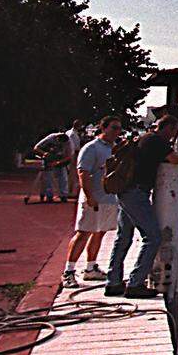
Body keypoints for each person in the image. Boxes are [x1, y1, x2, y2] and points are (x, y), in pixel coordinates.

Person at [105, 114, 178, 299]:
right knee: (153, 237)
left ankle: (113, 282)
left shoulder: (145, 138)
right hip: (136, 193)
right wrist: (170, 147)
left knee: (123, 237)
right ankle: (135, 283)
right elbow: (176, 160)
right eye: (174, 131)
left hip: (126, 191)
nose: (173, 136)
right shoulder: (158, 141)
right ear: (168, 128)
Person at [61, 115, 122, 288]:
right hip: (93, 197)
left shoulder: (116, 149)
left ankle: (90, 268)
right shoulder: (91, 148)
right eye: (113, 128)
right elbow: (83, 173)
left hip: (109, 198)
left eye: (119, 128)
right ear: (104, 128)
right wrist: (89, 196)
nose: (116, 132)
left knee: (100, 232)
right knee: (83, 232)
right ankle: (69, 271)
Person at [32, 130, 73, 202]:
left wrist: (57, 162)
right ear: (56, 138)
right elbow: (36, 148)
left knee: (63, 177)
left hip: (61, 160)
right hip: (49, 159)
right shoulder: (50, 138)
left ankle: (63, 195)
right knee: (48, 178)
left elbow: (69, 156)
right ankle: (49, 195)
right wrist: (45, 153)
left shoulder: (69, 142)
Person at [66, 119, 84, 199]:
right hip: (73, 154)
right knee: (72, 174)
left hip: (72, 154)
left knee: (71, 174)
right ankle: (69, 192)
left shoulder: (70, 133)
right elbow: (73, 147)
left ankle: (69, 191)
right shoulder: (72, 134)